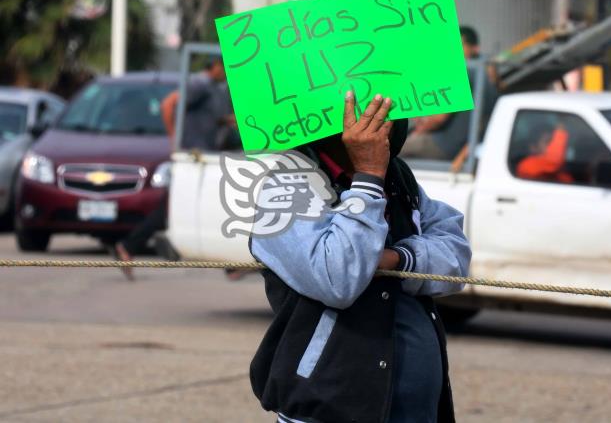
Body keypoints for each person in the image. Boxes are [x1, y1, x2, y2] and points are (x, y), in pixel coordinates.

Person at [249, 92, 471, 423]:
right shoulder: (289, 185)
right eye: (370, 109)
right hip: (331, 406)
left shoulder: (398, 177)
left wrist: (398, 259)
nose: (384, 118)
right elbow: (337, 279)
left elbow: (455, 253)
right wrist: (367, 180)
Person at [112, 56, 235, 280]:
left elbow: (212, 119)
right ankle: (129, 246)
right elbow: (168, 104)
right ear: (216, 66)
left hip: (204, 159)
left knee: (174, 206)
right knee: (176, 207)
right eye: (224, 68)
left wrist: (231, 121)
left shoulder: (215, 89)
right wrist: (174, 140)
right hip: (192, 159)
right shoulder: (200, 84)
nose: (226, 73)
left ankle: (129, 246)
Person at [401, 26, 499, 161]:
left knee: (390, 149)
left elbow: (439, 118)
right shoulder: (486, 75)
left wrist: (420, 130)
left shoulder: (463, 73)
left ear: (474, 48)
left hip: (443, 144)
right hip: (459, 147)